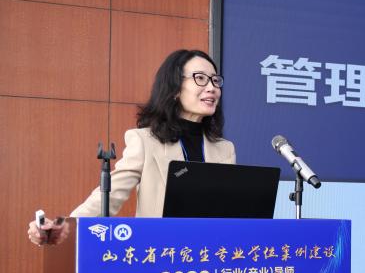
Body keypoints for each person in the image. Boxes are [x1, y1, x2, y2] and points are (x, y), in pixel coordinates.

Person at [27, 49, 235, 246]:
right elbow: (109, 196)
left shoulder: (225, 149)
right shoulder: (146, 141)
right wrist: (62, 229)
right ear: (174, 89)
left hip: (212, 255)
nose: (211, 87)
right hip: (161, 254)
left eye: (215, 80)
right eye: (200, 78)